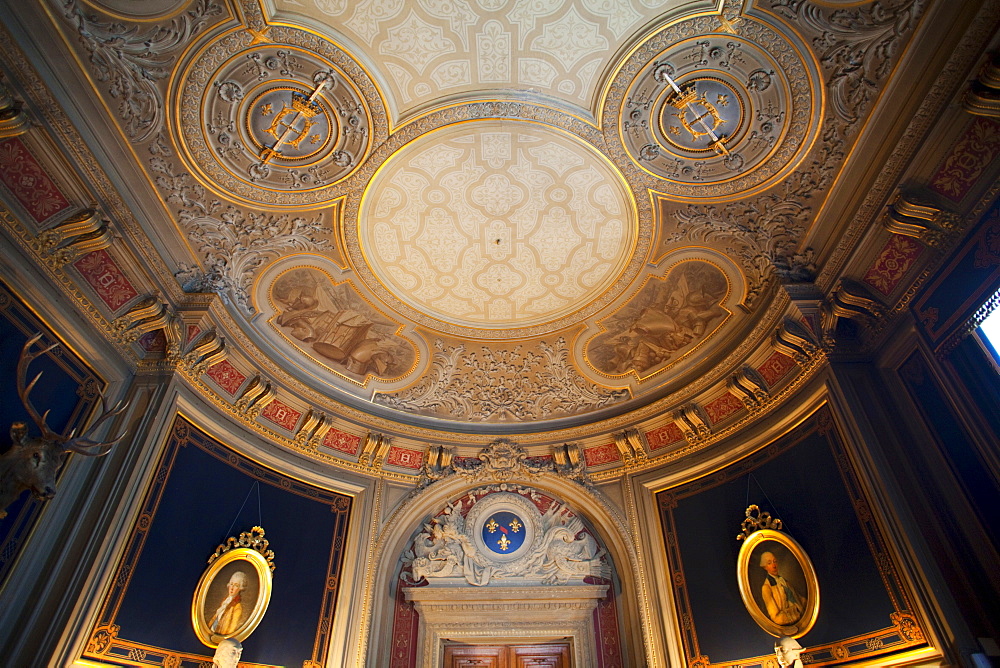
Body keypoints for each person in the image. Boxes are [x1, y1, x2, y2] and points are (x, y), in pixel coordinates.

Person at [759, 551, 804, 625]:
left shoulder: (785, 582)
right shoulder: (766, 588)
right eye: (769, 563)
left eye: (775, 562)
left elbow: (798, 599)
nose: (774, 565)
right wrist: (795, 613)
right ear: (765, 567)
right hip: (789, 622)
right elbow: (776, 618)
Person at [208, 571, 248, 635]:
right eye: (231, 584)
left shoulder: (237, 608)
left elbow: (232, 629)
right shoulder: (225, 601)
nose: (232, 588)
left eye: (236, 585)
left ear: (240, 588)